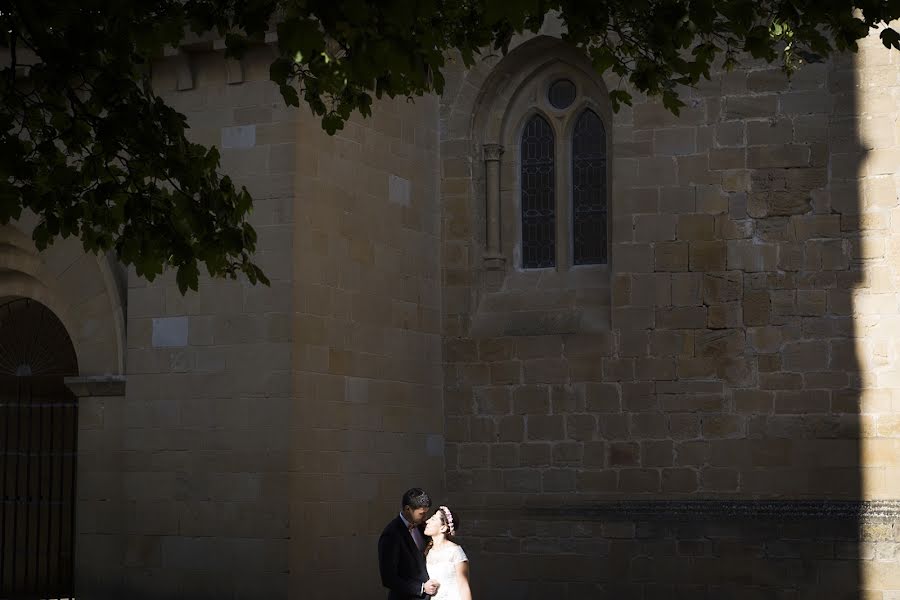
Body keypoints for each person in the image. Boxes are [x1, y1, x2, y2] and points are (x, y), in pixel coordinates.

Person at [378, 488, 441, 599]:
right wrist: (421, 588)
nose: (425, 518)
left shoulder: (423, 527)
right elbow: (388, 578)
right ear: (408, 509)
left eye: (427, 513)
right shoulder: (391, 534)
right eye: (422, 513)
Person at [423, 505, 472, 600]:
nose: (427, 521)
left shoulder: (455, 551)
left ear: (443, 528)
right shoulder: (427, 550)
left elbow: (464, 586)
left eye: (433, 519)